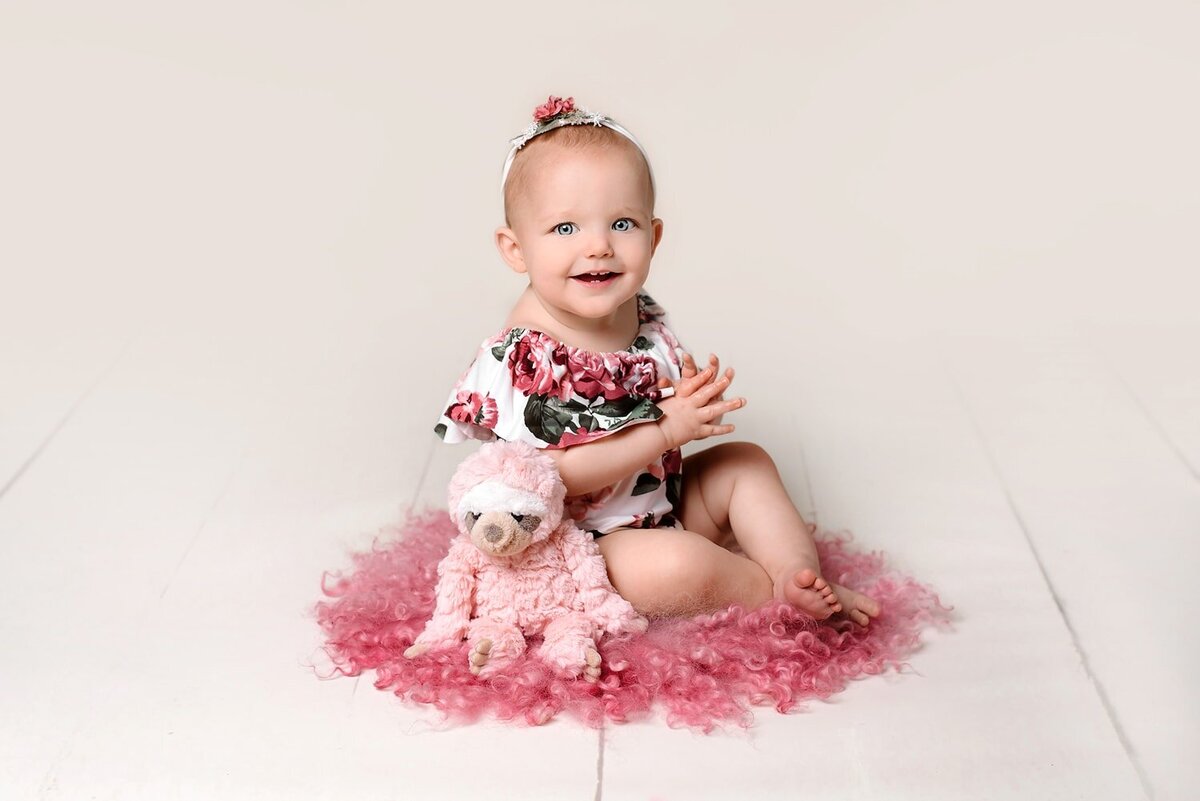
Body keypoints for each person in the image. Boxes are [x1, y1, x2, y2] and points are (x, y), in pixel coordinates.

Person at [434, 95, 880, 626]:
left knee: (745, 463)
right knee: (676, 564)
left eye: (622, 224)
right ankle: (773, 601)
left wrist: (687, 396)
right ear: (516, 250)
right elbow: (555, 478)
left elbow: (652, 396)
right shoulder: (525, 355)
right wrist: (667, 432)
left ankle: (794, 571)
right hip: (581, 549)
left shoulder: (637, 314)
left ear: (654, 236)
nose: (599, 246)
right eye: (565, 228)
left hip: (658, 503)